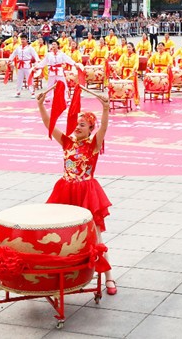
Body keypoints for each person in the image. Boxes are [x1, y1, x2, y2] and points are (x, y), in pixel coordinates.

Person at [36, 87, 116, 295]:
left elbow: (104, 129)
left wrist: (106, 108)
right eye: (76, 124)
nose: (78, 127)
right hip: (65, 189)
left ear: (90, 129)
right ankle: (59, 271)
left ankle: (109, 277)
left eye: (83, 125)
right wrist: (40, 105)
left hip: (87, 192)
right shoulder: (67, 142)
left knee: (96, 236)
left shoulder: (93, 145)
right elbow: (48, 124)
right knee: (60, 232)